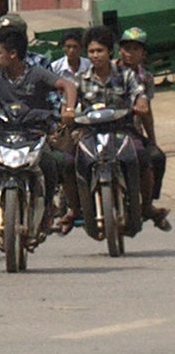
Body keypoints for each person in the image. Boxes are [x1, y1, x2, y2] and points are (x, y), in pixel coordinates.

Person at [0, 26, 76, 229]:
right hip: (4, 132)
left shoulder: (37, 73)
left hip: (34, 134)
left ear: (13, 54)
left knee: (49, 161)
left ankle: (47, 206)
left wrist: (69, 109)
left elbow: (68, 86)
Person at [62, 26, 169, 232]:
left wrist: (141, 103)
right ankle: (75, 209)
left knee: (143, 157)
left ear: (109, 52)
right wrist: (68, 111)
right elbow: (70, 101)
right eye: (92, 52)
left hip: (122, 131)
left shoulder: (128, 75)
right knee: (67, 163)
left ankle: (145, 205)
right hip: (89, 134)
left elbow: (140, 96)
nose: (95, 56)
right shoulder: (80, 79)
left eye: (99, 51)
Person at [117, 27, 167, 206]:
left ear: (143, 53)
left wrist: (152, 139)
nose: (130, 53)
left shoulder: (146, 78)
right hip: (108, 128)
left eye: (135, 49)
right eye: (126, 48)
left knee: (156, 157)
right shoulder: (110, 71)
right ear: (119, 50)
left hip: (133, 131)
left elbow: (147, 111)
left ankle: (148, 203)